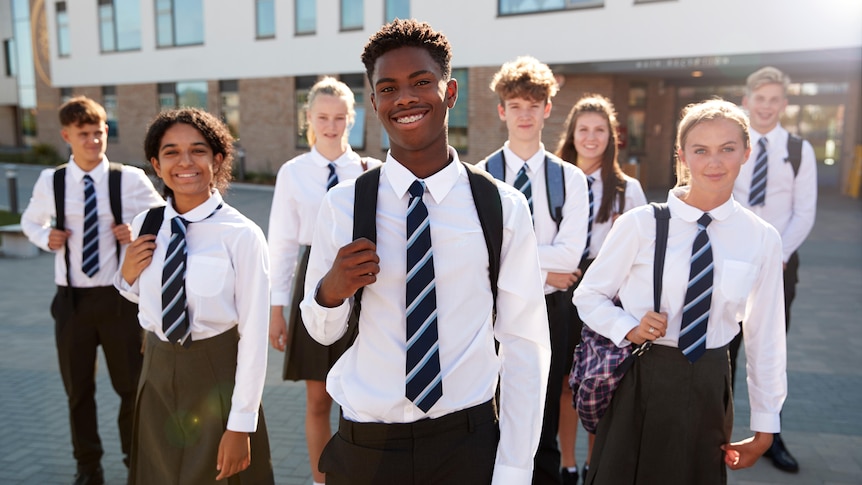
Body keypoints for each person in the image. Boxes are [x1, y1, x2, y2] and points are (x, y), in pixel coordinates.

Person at [299, 19, 551, 484]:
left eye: (421, 82)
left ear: (450, 92)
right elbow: (320, 331)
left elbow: (524, 344)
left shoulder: (500, 206)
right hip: (368, 448)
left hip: (466, 444)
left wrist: (515, 468)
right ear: (374, 103)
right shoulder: (344, 204)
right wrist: (331, 290)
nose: (406, 98)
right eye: (389, 88)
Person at [573, 99, 787, 484]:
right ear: (682, 155)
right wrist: (629, 326)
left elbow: (766, 338)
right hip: (640, 376)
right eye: (700, 150)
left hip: (708, 383)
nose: (714, 162)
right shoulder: (642, 225)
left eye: (727, 149)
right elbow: (588, 295)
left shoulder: (761, 238)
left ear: (746, 152)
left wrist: (766, 424)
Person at [116, 108, 274, 484]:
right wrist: (125, 277)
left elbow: (254, 340)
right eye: (171, 152)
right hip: (155, 372)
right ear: (156, 164)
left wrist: (241, 425)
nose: (184, 162)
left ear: (217, 159)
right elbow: (145, 299)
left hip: (216, 375)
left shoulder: (242, 235)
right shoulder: (147, 224)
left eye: (197, 151)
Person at [21, 96, 163, 485]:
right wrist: (44, 236)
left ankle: (135, 461)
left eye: (99, 132)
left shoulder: (128, 179)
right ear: (67, 136)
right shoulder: (52, 181)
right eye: (83, 134)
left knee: (130, 388)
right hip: (71, 302)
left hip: (119, 302)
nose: (93, 141)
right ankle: (88, 467)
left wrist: (136, 233)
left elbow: (162, 220)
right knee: (78, 391)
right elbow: (30, 220)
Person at [475, 55, 588, 485]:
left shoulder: (570, 179)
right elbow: (481, 257)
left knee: (542, 407)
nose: (525, 114)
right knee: (494, 403)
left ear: (547, 109)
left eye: (533, 104)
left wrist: (524, 263)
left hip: (551, 310)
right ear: (502, 110)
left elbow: (571, 255)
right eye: (515, 105)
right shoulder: (481, 177)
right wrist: (543, 271)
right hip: (495, 308)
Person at [267, 76, 381, 485]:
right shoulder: (293, 172)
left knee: (362, 396)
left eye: (339, 117)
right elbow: (280, 246)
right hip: (313, 284)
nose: (331, 125)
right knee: (318, 398)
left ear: (352, 118)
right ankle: (321, 482)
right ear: (309, 119)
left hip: (365, 285)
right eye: (322, 117)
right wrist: (276, 312)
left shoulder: (372, 170)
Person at [553, 94, 647, 484]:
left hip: (607, 293)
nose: (591, 138)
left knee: (598, 381)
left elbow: (644, 250)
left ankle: (595, 464)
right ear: (572, 134)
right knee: (563, 381)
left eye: (600, 130)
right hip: (562, 286)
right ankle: (567, 464)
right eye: (584, 130)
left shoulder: (629, 189)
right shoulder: (553, 178)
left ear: (613, 137)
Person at [730, 66, 816, 473]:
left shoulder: (799, 150)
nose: (766, 106)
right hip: (728, 260)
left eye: (774, 99)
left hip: (779, 263)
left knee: (768, 353)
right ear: (746, 101)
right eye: (759, 98)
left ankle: (771, 437)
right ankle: (717, 433)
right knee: (722, 352)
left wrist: (776, 253)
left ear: (783, 104)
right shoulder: (732, 144)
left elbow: (804, 212)